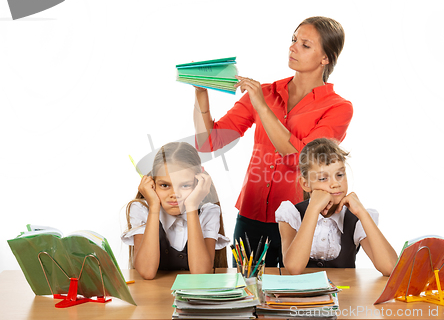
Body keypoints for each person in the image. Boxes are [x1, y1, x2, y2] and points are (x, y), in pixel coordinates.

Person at [193, 16, 353, 266]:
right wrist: (202, 93)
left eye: (305, 44)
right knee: (247, 295)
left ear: (326, 58)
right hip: (251, 215)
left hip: (299, 219)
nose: (293, 47)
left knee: (293, 299)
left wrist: (261, 106)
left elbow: (302, 158)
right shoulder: (265, 93)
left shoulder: (338, 108)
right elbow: (209, 142)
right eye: (293, 40)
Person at [276, 138, 397, 276]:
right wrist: (313, 209)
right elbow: (294, 268)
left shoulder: (355, 219)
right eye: (323, 178)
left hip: (345, 295)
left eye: (340, 175)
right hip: (302, 297)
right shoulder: (291, 214)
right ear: (305, 184)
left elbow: (390, 268)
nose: (335, 184)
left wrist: (363, 213)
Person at [121, 142, 229, 279]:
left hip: (193, 298)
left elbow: (201, 273)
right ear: (153, 184)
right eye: (165, 185)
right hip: (154, 298)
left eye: (185, 185)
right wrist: (154, 205)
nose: (174, 194)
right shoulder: (142, 209)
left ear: (198, 183)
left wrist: (191, 207)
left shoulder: (209, 212)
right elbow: (147, 272)